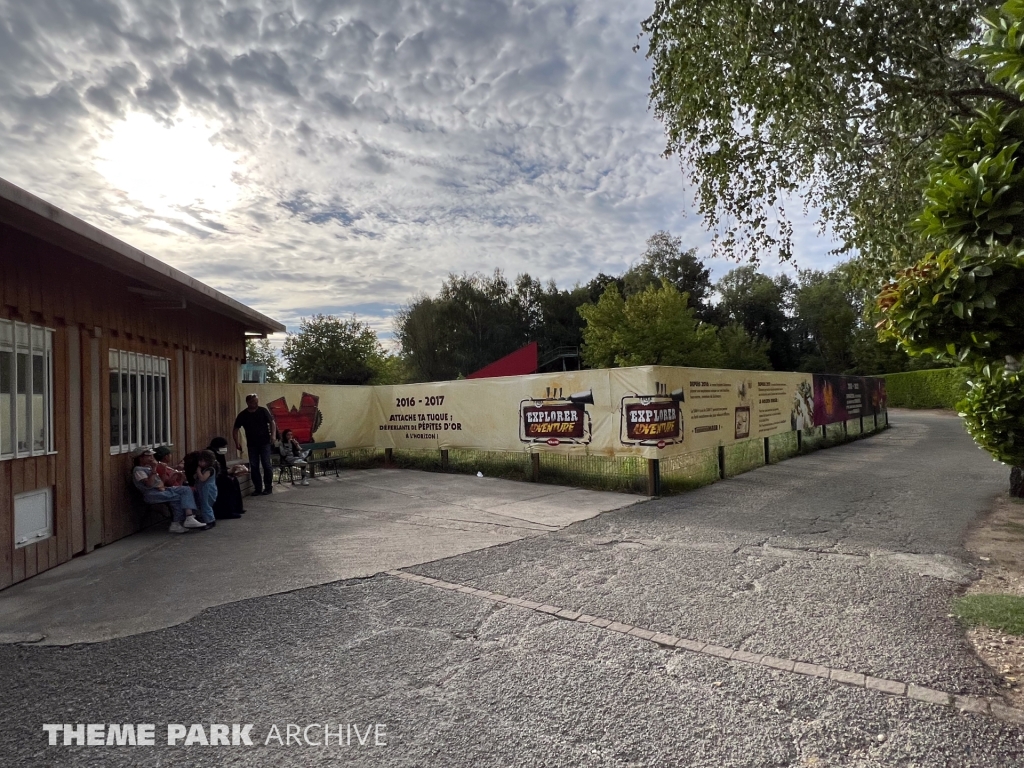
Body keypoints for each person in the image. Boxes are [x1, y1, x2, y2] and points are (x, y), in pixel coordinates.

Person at [131, 448, 206, 534]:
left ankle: (188, 518)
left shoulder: (148, 467)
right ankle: (179, 521)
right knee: (179, 497)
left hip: (161, 490)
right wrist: (154, 468)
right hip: (152, 494)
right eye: (148, 456)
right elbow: (149, 484)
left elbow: (161, 482)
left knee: (185, 489)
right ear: (140, 458)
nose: (152, 458)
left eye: (152, 456)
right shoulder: (138, 470)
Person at [232, 393, 277, 496]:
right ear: (248, 402)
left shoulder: (262, 411)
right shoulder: (243, 415)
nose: (256, 404)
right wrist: (236, 442)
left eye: (256, 402)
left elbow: (272, 422)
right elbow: (235, 429)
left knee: (266, 464)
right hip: (252, 444)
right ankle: (257, 488)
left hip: (265, 442)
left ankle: (268, 487)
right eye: (253, 402)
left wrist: (273, 435)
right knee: (254, 465)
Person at [207, 436, 245, 518]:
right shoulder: (210, 454)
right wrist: (228, 472)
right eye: (223, 447)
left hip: (220, 474)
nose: (224, 449)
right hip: (212, 477)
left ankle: (236, 508)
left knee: (234, 480)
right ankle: (227, 511)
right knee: (227, 482)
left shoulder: (219, 454)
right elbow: (213, 469)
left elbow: (222, 466)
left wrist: (231, 471)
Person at [184, 450, 219, 527]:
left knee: (206, 506)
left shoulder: (210, 469)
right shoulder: (204, 469)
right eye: (200, 461)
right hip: (202, 490)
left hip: (208, 490)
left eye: (203, 461)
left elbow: (203, 478)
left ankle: (210, 521)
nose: (200, 463)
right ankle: (204, 519)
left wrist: (198, 471)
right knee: (202, 505)